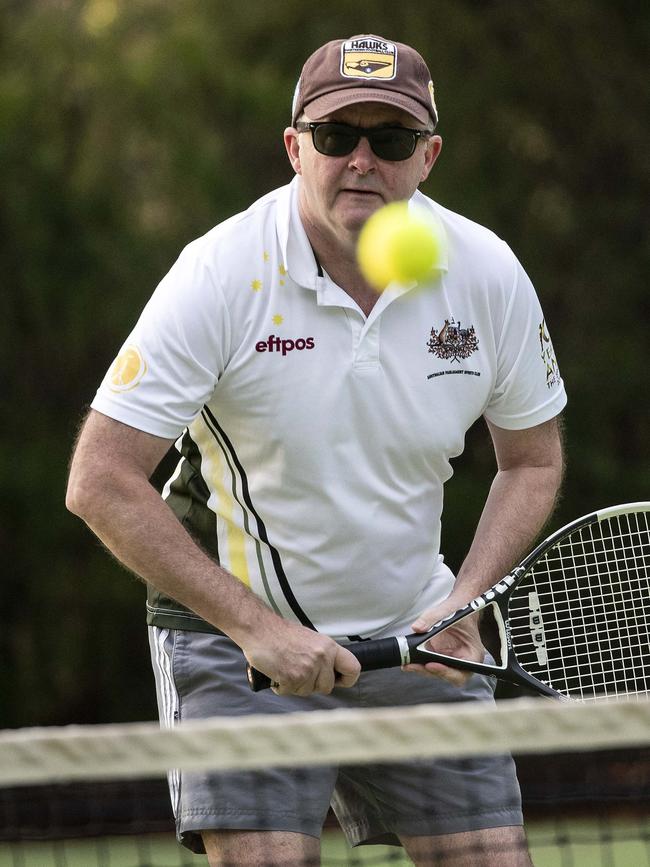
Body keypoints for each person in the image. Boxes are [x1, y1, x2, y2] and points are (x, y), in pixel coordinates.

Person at [66, 33, 566, 867]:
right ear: (296, 148)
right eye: (337, 136)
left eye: (391, 139)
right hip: (234, 643)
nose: (362, 159)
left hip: (418, 632)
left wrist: (465, 603)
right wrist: (256, 628)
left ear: (428, 156)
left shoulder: (486, 273)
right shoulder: (222, 273)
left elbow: (534, 460)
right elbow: (100, 478)